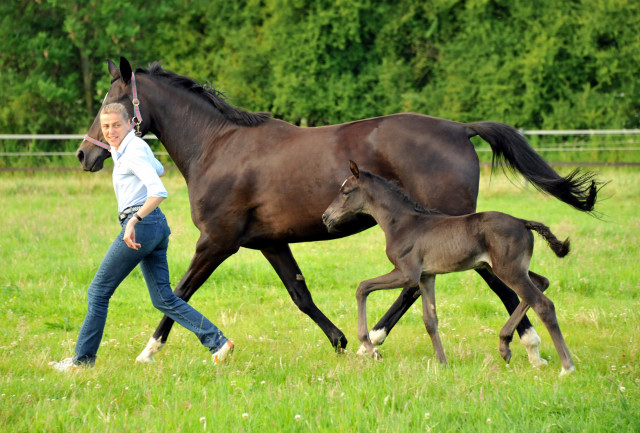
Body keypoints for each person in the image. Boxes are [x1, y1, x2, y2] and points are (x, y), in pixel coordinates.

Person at [50, 103, 233, 371]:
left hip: (142, 224)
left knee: (98, 292)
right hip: (156, 227)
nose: (110, 131)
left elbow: (158, 190)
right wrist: (119, 154)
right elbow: (158, 168)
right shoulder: (132, 147)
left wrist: (133, 221)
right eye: (106, 126)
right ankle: (218, 341)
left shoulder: (132, 151)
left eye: (116, 125)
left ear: (128, 124)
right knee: (163, 298)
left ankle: (82, 362)